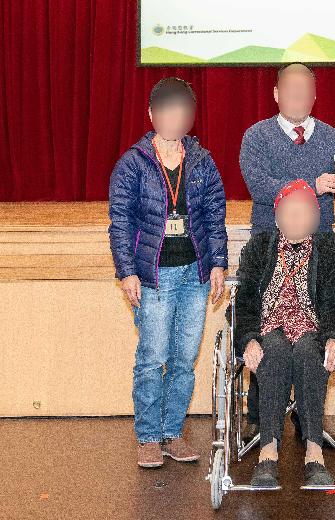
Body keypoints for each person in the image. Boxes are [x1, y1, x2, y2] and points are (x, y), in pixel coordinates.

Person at [108, 77, 227, 468]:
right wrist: (127, 271)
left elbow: (214, 217)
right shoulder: (133, 163)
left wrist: (218, 263)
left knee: (183, 358)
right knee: (152, 355)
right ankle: (148, 436)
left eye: (182, 109)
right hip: (153, 276)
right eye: (167, 109)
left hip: (194, 275)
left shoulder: (203, 161)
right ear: (152, 114)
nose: (175, 117)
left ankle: (173, 432)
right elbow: (120, 222)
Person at [239, 62, 335, 438]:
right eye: (289, 90)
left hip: (319, 252)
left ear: (314, 96)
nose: (297, 96)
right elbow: (258, 185)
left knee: (316, 329)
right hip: (270, 251)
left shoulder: (332, 138)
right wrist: (312, 183)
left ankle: (308, 420)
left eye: (304, 90)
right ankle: (262, 421)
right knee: (268, 330)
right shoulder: (256, 136)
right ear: (276, 94)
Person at [233, 179, 335, 487]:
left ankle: (314, 452)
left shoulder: (329, 249)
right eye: (289, 212)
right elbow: (243, 303)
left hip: (312, 326)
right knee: (274, 353)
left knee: (312, 353)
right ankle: (268, 452)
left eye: (303, 212)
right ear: (276, 217)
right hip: (269, 325)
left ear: (315, 217)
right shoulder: (258, 247)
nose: (296, 219)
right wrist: (248, 339)